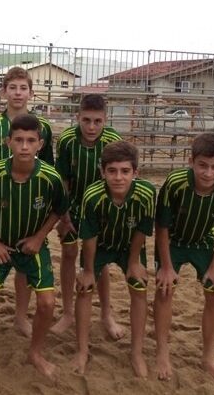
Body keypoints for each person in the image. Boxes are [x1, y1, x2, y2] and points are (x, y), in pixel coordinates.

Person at [0, 114, 68, 381]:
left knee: (47, 303)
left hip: (33, 247)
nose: (24, 146)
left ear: (40, 144)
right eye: (19, 140)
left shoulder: (50, 177)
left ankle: (36, 353)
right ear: (8, 142)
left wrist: (39, 237)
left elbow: (59, 209)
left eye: (30, 141)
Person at [0, 66, 54, 337]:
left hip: (30, 200)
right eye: (13, 87)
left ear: (31, 92)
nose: (18, 93)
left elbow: (49, 168)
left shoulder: (43, 128)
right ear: (4, 91)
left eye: (23, 88)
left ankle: (20, 315)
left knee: (24, 258)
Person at [153, 133, 214, 389]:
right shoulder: (176, 182)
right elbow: (162, 226)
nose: (208, 173)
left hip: (204, 241)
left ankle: (208, 359)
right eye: (203, 165)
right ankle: (162, 352)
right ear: (191, 161)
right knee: (165, 289)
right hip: (173, 241)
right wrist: (167, 267)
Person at [72, 141, 155, 377]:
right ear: (103, 172)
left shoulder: (147, 193)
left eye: (125, 171)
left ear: (135, 172)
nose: (118, 177)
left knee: (139, 287)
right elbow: (89, 237)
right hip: (100, 246)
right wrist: (88, 270)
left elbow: (142, 229)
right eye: (112, 171)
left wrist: (133, 262)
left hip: (130, 245)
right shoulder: (93, 195)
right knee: (85, 288)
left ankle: (136, 352)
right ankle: (82, 350)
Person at [51, 94, 124, 338]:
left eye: (97, 121)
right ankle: (68, 313)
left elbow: (117, 181)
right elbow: (62, 180)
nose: (91, 127)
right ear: (77, 117)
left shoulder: (113, 141)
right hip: (72, 208)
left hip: (101, 211)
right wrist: (63, 215)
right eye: (86, 120)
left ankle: (106, 315)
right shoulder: (67, 140)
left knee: (98, 262)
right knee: (69, 254)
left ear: (105, 119)